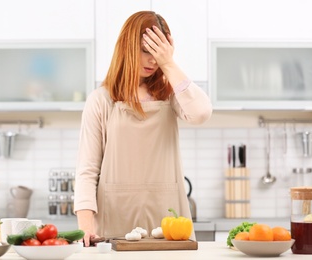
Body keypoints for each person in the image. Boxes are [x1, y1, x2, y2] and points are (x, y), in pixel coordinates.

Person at [74, 10, 212, 246]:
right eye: (146, 50)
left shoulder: (171, 95)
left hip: (168, 221)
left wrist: (169, 64)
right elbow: (87, 171)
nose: (152, 60)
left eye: (158, 53)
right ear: (127, 47)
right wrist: (86, 228)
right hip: (112, 221)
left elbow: (201, 113)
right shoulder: (101, 100)